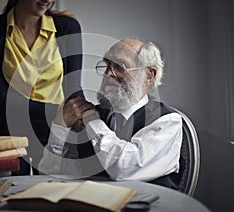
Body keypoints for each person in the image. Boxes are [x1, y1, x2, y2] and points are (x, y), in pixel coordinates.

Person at [38, 38, 183, 189]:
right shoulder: (91, 117)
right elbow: (51, 176)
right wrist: (60, 126)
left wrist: (91, 119)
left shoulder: (168, 122)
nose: (108, 73)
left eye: (119, 66)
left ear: (149, 75)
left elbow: (124, 169)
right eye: (107, 65)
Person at [0, 0, 84, 175]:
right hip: (8, 133)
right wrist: (59, 112)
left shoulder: (68, 27)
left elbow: (73, 86)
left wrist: (83, 113)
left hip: (54, 134)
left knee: (50, 195)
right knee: (5, 195)